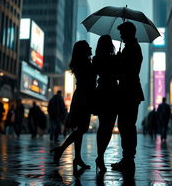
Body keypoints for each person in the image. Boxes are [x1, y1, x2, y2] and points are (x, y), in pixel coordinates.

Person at [51, 40, 96, 171]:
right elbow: (89, 79)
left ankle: (77, 157)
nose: (90, 48)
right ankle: (61, 150)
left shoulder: (82, 63)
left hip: (82, 97)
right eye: (88, 47)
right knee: (82, 128)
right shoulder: (84, 64)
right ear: (83, 50)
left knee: (81, 129)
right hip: (84, 98)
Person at [111, 21, 144, 174]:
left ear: (128, 33)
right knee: (126, 125)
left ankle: (128, 159)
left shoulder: (131, 49)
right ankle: (127, 158)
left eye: (122, 33)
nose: (121, 36)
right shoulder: (131, 48)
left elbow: (125, 72)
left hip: (129, 91)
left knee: (126, 125)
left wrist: (118, 61)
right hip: (130, 91)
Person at [92, 35, 118, 172]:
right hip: (113, 93)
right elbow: (119, 75)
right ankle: (100, 156)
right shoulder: (114, 59)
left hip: (101, 93)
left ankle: (100, 156)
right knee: (108, 128)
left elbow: (94, 75)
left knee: (103, 126)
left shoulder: (96, 59)